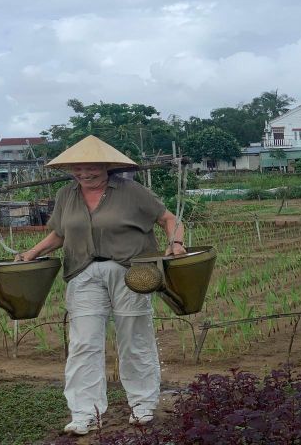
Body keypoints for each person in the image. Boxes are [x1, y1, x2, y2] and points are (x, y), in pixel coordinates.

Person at [16, 135, 186, 436]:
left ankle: (143, 404)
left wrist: (177, 243)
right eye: (78, 169)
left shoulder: (132, 192)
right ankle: (85, 412)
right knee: (84, 343)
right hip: (83, 272)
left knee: (135, 337)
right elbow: (58, 234)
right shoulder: (66, 195)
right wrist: (33, 252)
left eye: (92, 167)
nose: (84, 174)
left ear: (107, 166)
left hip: (131, 272)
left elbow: (168, 219)